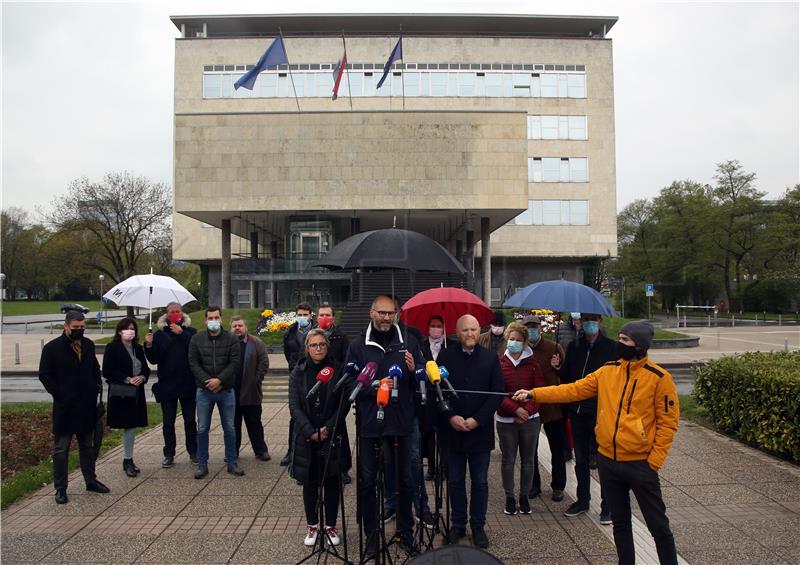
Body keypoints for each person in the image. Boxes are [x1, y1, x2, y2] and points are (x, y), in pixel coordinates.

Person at [514, 321, 680, 565]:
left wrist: (653, 461)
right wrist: (534, 393)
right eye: (620, 338)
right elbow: (573, 390)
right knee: (620, 523)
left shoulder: (659, 378)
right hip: (608, 462)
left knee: (658, 526)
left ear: (640, 345)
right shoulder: (608, 371)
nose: (619, 344)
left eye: (625, 340)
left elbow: (668, 424)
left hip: (640, 464)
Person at [345, 294, 422, 557]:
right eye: (382, 313)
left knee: (405, 480)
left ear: (397, 314)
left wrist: (414, 370)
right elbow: (348, 385)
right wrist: (375, 386)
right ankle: (372, 536)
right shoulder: (357, 345)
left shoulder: (409, 340)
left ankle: (405, 532)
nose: (386, 318)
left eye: (391, 313)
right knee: (368, 482)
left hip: (401, 423)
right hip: (370, 424)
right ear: (371, 312)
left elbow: (422, 376)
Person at [437, 314, 504, 549]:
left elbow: (497, 393)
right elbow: (439, 391)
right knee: (455, 481)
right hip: (453, 431)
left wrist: (478, 419)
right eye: (465, 330)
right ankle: (458, 524)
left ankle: (478, 525)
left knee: (480, 482)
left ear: (479, 331)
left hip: (479, 432)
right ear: (457, 331)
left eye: (474, 330)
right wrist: (450, 416)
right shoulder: (445, 356)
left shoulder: (490, 358)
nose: (470, 334)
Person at [39, 310, 110, 504]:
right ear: (66, 326)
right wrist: (60, 394)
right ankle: (60, 488)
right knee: (61, 450)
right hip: (65, 407)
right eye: (75, 328)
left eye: (82, 327)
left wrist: (96, 386)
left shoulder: (87, 344)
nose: (79, 330)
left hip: (86, 406)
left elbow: (95, 368)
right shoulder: (52, 348)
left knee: (87, 446)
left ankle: (90, 480)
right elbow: (44, 375)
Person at [552, 312, 617, 523]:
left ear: (600, 322)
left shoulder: (611, 347)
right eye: (585, 320)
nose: (589, 324)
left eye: (593, 320)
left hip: (600, 412)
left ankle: (608, 505)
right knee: (580, 461)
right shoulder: (574, 346)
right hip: (577, 411)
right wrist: (557, 368)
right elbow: (569, 377)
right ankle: (583, 500)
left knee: (603, 460)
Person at [288, 329, 350, 547]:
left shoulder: (338, 369)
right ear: (307, 348)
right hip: (308, 436)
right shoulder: (299, 371)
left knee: (332, 481)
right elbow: (294, 405)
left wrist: (328, 428)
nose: (318, 349)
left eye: (322, 344)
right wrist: (310, 431)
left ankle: (331, 525)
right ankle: (313, 525)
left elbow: (344, 403)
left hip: (331, 435)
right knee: (310, 483)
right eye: (314, 345)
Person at [188, 306, 243, 478]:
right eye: (210, 318)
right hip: (204, 391)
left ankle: (232, 462)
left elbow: (234, 363)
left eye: (216, 317)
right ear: (205, 320)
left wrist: (219, 380)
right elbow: (193, 363)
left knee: (230, 427)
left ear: (221, 319)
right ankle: (202, 464)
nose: (213, 321)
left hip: (226, 390)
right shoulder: (196, 339)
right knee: (203, 428)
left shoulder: (231, 339)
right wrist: (208, 382)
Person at [496, 322, 544, 516]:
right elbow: (497, 393)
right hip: (506, 421)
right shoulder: (499, 363)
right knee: (508, 460)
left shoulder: (533, 365)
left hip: (530, 421)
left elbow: (539, 392)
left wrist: (527, 411)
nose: (514, 343)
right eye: (511, 339)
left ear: (525, 342)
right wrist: (515, 410)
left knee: (528, 460)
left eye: (518, 340)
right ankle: (509, 497)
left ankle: (524, 496)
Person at [144, 302, 198, 468]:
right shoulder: (160, 334)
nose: (175, 314)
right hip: (167, 384)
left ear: (182, 313)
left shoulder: (191, 331)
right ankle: (169, 453)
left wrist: (181, 333)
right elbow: (154, 359)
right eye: (171, 312)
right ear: (167, 315)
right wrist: (149, 345)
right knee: (168, 422)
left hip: (187, 383)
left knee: (190, 421)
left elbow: (195, 350)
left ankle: (193, 452)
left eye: (177, 311)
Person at [521, 315, 567, 502]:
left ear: (541, 328)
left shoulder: (554, 348)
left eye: (535, 327)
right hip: (530, 404)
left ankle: (558, 485)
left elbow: (566, 374)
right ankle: (534, 484)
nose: (532, 330)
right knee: (530, 448)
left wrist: (558, 367)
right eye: (528, 327)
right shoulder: (521, 349)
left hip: (552, 405)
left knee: (558, 448)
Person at [103, 317, 150, 477]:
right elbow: (108, 371)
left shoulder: (137, 348)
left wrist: (142, 377)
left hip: (137, 392)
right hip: (122, 392)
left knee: (132, 425)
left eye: (133, 329)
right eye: (127, 328)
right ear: (120, 331)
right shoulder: (112, 347)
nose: (130, 331)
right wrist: (127, 379)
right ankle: (127, 459)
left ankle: (128, 459)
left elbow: (145, 369)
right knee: (127, 425)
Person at [316, 302, 352, 485]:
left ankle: (342, 468)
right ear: (317, 318)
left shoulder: (341, 337)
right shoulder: (312, 337)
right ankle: (317, 466)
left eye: (328, 315)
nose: (325, 318)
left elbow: (347, 361)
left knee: (338, 428)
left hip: (336, 387)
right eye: (322, 315)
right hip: (317, 387)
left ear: (333, 317)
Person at [420, 315, 455, 481]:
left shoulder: (451, 345)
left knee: (444, 433)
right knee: (428, 433)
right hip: (427, 394)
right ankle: (432, 466)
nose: (436, 329)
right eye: (432, 325)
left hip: (445, 394)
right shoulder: (421, 346)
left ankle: (444, 466)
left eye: (439, 326)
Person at [230, 315, 270, 461]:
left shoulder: (256, 343)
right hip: (231, 392)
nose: (237, 328)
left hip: (251, 391)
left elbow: (264, 362)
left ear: (245, 327)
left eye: (240, 325)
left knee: (255, 424)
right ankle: (232, 451)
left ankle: (260, 450)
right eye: (234, 326)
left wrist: (256, 379)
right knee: (233, 425)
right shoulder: (227, 343)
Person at [281, 303, 316, 467]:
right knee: (295, 414)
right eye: (299, 314)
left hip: (315, 376)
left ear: (310, 315)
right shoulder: (290, 332)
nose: (302, 317)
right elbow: (288, 354)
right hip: (297, 376)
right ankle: (291, 451)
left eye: (305, 314)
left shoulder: (317, 331)